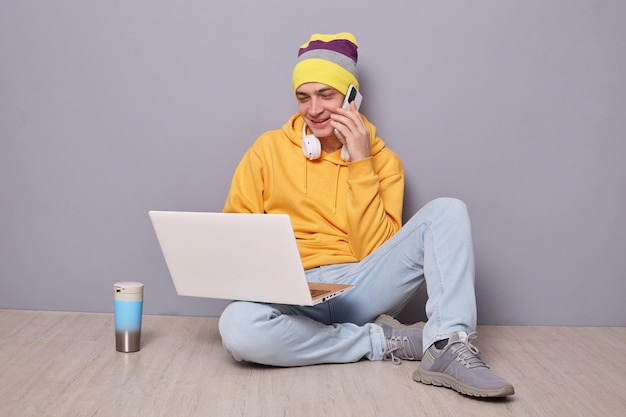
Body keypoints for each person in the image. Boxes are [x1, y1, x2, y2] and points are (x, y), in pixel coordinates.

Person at [218, 32, 514, 398]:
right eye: (303, 97)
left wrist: (361, 161)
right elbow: (235, 238)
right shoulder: (266, 150)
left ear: (352, 97)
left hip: (361, 285)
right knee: (237, 328)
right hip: (291, 291)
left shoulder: (383, 162)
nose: (314, 110)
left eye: (326, 95)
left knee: (448, 211)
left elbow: (373, 249)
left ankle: (445, 346)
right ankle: (380, 341)